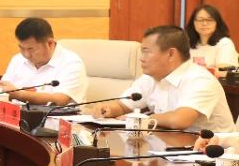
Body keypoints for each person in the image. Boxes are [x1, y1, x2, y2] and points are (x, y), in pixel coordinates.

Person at [94, 25, 234, 132]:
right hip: (171, 148)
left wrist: (143, 120)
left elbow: (180, 120)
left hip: (213, 155)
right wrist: (109, 109)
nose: (141, 58)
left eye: (146, 52)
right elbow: (123, 105)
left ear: (171, 54)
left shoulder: (200, 80)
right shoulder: (150, 78)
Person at [0, 18, 88, 106]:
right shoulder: (18, 59)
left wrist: (20, 95)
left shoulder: (71, 62)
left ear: (50, 43)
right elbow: (3, 90)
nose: (26, 55)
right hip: (18, 114)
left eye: (31, 49)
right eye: (22, 48)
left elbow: (59, 100)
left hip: (57, 115)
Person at [186, 4, 238, 69]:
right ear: (194, 23)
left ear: (217, 23)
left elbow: (224, 70)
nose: (204, 23)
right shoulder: (189, 44)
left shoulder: (224, 43)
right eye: (200, 20)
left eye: (209, 20)